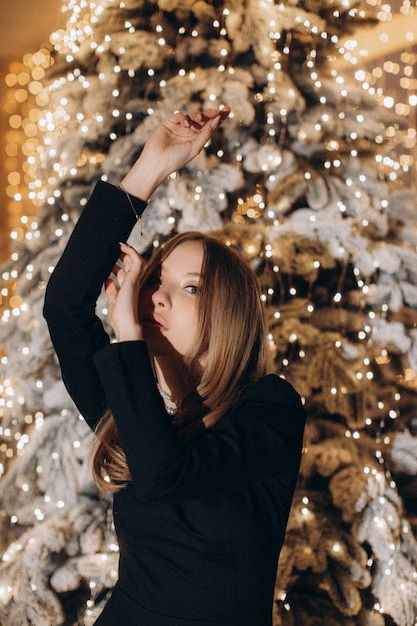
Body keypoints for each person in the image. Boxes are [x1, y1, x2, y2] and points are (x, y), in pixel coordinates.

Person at [43, 107, 306, 626]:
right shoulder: (131, 408)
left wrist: (129, 338)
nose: (156, 296)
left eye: (189, 287)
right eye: (154, 279)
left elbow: (167, 475)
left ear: (225, 315)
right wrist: (151, 167)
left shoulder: (269, 407)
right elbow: (64, 307)